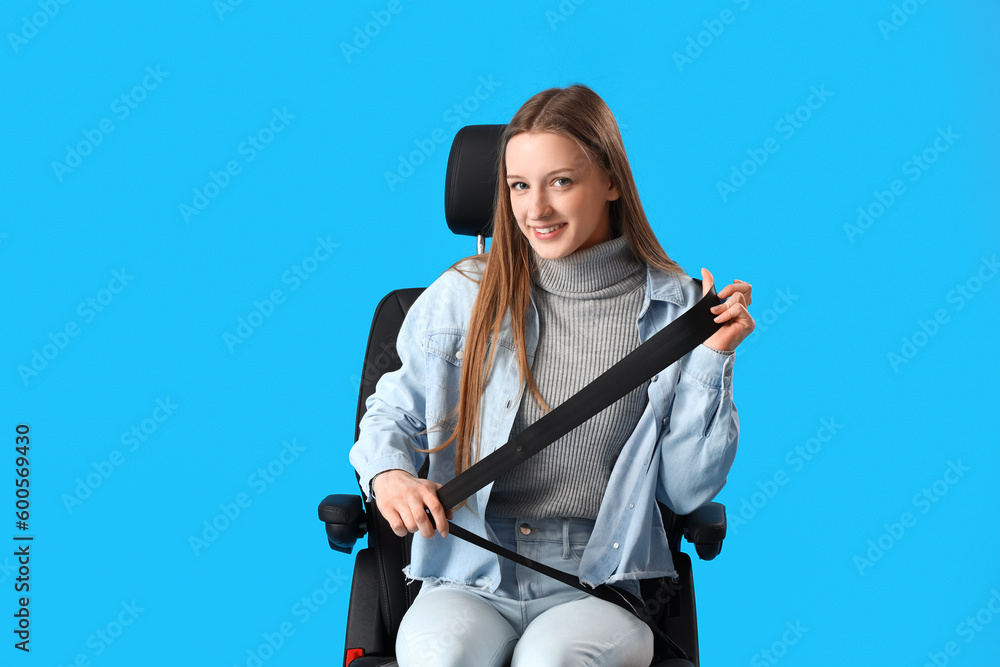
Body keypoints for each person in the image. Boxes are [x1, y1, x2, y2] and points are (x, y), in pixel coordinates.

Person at [349, 83, 754, 667]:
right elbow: (393, 414)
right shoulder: (465, 294)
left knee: (551, 662)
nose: (535, 209)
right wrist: (389, 475)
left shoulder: (678, 313)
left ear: (611, 181)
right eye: (519, 186)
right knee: (444, 656)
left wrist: (712, 357)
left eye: (560, 181)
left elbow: (688, 492)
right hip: (468, 573)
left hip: (597, 581)